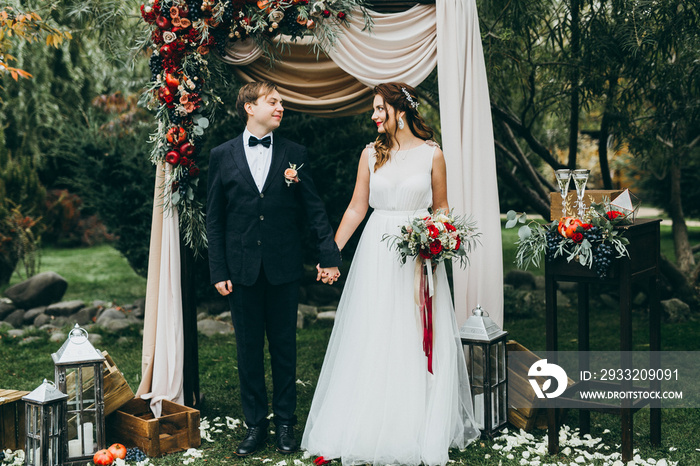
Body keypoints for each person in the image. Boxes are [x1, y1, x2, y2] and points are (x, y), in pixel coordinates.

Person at [301, 83, 481, 465]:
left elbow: (442, 206)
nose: (374, 116)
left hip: (418, 257)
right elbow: (355, 208)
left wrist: (437, 237)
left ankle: (415, 423)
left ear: (401, 111)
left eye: (380, 109)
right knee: (374, 331)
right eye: (373, 110)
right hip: (377, 253)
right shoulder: (370, 153)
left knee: (413, 333)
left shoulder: (433, 154)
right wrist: (330, 254)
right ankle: (366, 422)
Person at [206, 81, 341, 457]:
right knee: (248, 351)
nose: (281, 107)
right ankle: (255, 426)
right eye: (273, 101)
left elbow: (314, 208)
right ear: (250, 107)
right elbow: (214, 219)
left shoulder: (294, 154)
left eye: (281, 102)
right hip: (241, 270)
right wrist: (218, 270)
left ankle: (285, 424)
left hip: (283, 269)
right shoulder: (222, 155)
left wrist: (328, 254)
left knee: (284, 349)